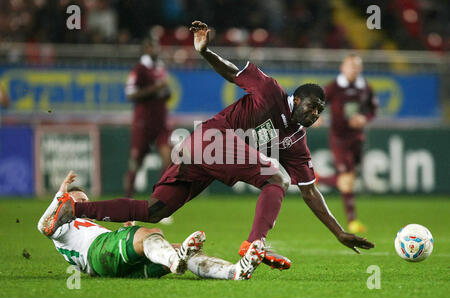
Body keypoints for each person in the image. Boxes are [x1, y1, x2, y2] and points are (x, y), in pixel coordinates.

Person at [66, 21, 375, 272]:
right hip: (212, 140)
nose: (315, 114)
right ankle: (255, 243)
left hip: (204, 154)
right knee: (276, 178)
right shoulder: (270, 91)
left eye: (320, 111)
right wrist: (205, 51)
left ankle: (71, 210)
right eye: (312, 106)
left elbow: (309, 190)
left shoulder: (295, 140)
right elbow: (232, 72)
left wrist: (339, 232)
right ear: (297, 98)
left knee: (155, 210)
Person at [38, 171, 265, 280]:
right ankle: (174, 260)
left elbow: (115, 242)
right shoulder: (61, 227)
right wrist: (61, 194)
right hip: (97, 255)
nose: (86, 204)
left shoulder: (88, 229)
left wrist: (128, 226)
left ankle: (234, 272)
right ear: (68, 203)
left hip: (110, 268)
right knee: (151, 233)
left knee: (179, 248)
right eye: (81, 200)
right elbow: (44, 225)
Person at [318, 54, 378, 234]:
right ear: (342, 68)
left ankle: (318, 179)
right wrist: (316, 115)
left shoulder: (365, 87)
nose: (353, 70)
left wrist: (364, 118)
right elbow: (319, 102)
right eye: (350, 66)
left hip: (357, 138)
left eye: (356, 67)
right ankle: (352, 222)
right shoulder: (334, 87)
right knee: (347, 179)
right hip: (339, 138)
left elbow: (372, 110)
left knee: (350, 179)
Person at [124, 37, 172, 199]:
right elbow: (130, 94)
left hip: (160, 121)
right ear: (145, 49)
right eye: (151, 47)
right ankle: (128, 197)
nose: (155, 50)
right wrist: (155, 88)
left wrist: (165, 92)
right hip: (143, 122)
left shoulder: (160, 68)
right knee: (136, 161)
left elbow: (164, 92)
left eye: (156, 47)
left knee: (168, 159)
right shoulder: (139, 69)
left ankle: (159, 200)